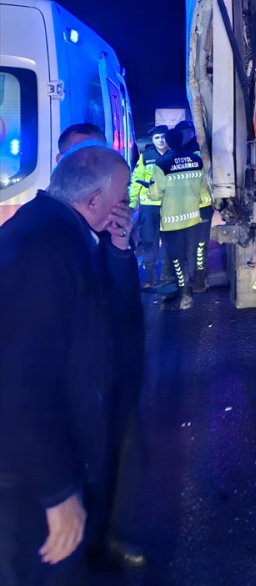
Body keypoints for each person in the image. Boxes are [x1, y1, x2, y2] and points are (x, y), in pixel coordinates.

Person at [0, 144, 131, 585]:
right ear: (93, 201)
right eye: (122, 197)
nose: (127, 205)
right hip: (27, 487)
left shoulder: (59, 231)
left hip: (43, 469)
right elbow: (18, 381)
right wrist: (57, 491)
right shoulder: (45, 250)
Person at [57, 131, 146, 570]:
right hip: (70, 381)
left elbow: (125, 304)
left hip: (113, 371)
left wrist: (120, 247)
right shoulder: (55, 230)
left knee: (111, 456)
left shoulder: (107, 229)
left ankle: (100, 537)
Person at [149, 127, 208, 311]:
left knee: (177, 259)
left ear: (167, 142)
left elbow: (155, 193)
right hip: (193, 217)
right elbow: (203, 188)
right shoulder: (197, 160)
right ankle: (192, 287)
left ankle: (185, 297)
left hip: (172, 221)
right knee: (191, 254)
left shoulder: (162, 164)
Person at [129, 125, 173, 289]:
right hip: (149, 206)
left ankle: (167, 275)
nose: (160, 141)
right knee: (149, 241)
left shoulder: (174, 154)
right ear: (152, 140)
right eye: (156, 138)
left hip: (170, 205)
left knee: (169, 241)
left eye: (163, 137)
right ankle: (150, 278)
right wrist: (131, 204)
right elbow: (136, 180)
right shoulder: (146, 156)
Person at [174, 119, 213, 293]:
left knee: (196, 245)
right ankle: (195, 279)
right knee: (195, 245)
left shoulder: (196, 153)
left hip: (196, 206)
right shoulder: (191, 152)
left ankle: (196, 279)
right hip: (195, 207)